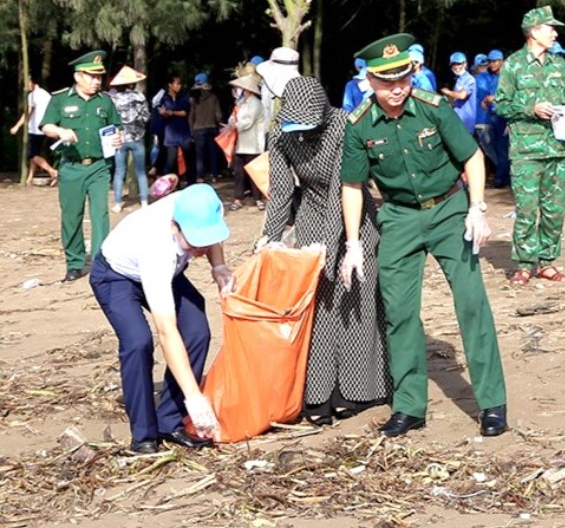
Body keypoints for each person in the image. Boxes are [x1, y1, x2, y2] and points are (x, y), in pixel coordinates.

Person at [340, 35, 506, 438]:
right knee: (398, 313)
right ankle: (410, 405)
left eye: (404, 77)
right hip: (398, 218)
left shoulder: (434, 109)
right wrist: (353, 245)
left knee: (471, 303)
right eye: (386, 81)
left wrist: (477, 208)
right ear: (369, 81)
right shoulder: (359, 125)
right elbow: (353, 185)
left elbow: (471, 156)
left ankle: (492, 404)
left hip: (450, 210)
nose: (397, 88)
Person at [263, 76, 389, 424]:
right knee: (318, 308)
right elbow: (281, 189)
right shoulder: (282, 134)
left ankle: (356, 390)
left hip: (353, 219)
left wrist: (335, 247)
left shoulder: (342, 127)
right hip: (309, 219)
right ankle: (317, 393)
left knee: (354, 302)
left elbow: (344, 188)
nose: (302, 130)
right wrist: (269, 236)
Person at [89, 184, 234, 454]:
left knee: (197, 331)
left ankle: (170, 420)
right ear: (174, 227)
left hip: (169, 272)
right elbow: (166, 331)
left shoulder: (202, 202)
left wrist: (218, 265)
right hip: (117, 276)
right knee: (138, 341)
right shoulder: (156, 248)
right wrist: (195, 397)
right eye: (194, 242)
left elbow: (212, 234)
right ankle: (143, 434)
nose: (200, 249)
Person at [495, 8, 565, 284]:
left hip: (556, 148)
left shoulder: (558, 64)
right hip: (526, 151)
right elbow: (501, 104)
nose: (555, 33)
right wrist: (532, 108)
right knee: (527, 210)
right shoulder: (513, 65)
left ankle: (548, 262)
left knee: (555, 210)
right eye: (549, 28)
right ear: (533, 31)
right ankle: (525, 263)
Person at [42, 51, 122, 282]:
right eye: (91, 76)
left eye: (99, 77)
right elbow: (46, 125)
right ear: (78, 76)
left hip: (98, 167)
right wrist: (59, 130)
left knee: (100, 215)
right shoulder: (60, 99)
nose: (97, 81)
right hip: (71, 168)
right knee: (71, 216)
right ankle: (75, 263)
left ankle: (100, 263)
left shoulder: (105, 101)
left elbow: (116, 127)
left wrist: (117, 138)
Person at [107, 66, 151, 213]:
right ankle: (144, 201)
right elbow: (146, 117)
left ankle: (118, 203)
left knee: (119, 171)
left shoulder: (114, 99)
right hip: (138, 137)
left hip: (120, 138)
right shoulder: (140, 97)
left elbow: (110, 118)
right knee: (141, 171)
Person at [228, 74, 267, 212]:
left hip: (253, 144)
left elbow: (247, 122)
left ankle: (258, 199)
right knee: (239, 173)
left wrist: (235, 124)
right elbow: (232, 118)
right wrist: (233, 123)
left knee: (254, 173)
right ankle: (238, 198)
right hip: (241, 144)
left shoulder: (256, 103)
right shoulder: (240, 103)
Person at [9, 78, 58, 184]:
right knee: (34, 153)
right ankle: (30, 178)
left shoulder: (32, 95)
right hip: (45, 127)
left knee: (32, 154)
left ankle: (52, 171)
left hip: (35, 128)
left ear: (33, 82)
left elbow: (28, 113)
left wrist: (17, 126)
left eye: (27, 83)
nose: (25, 86)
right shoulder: (46, 94)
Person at [156, 74, 194, 184]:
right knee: (171, 161)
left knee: (189, 159)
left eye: (180, 84)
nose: (178, 86)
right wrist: (164, 114)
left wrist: (172, 113)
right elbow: (161, 113)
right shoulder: (164, 98)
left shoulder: (183, 97)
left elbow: (185, 112)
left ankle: (191, 182)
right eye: (176, 84)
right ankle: (172, 183)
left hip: (183, 132)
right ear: (170, 85)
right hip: (170, 133)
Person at [189, 73, 223, 184]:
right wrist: (220, 124)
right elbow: (218, 115)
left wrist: (191, 131)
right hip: (212, 127)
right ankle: (214, 175)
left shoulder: (194, 99)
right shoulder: (213, 97)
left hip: (198, 128)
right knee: (213, 152)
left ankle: (200, 176)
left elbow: (191, 116)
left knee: (200, 155)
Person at [484, 50, 510, 187]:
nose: (492, 64)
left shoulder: (506, 76)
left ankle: (501, 179)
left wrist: (492, 98)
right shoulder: (493, 77)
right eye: (490, 61)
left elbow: (509, 95)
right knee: (497, 148)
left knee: (502, 149)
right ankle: (502, 178)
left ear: (501, 61)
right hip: (494, 116)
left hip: (503, 117)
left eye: (495, 61)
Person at [440, 52, 478, 135]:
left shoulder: (470, 79)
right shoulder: (458, 79)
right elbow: (455, 99)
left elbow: (462, 95)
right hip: (457, 120)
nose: (456, 67)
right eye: (454, 64)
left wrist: (448, 92)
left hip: (466, 123)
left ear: (465, 64)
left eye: (459, 64)